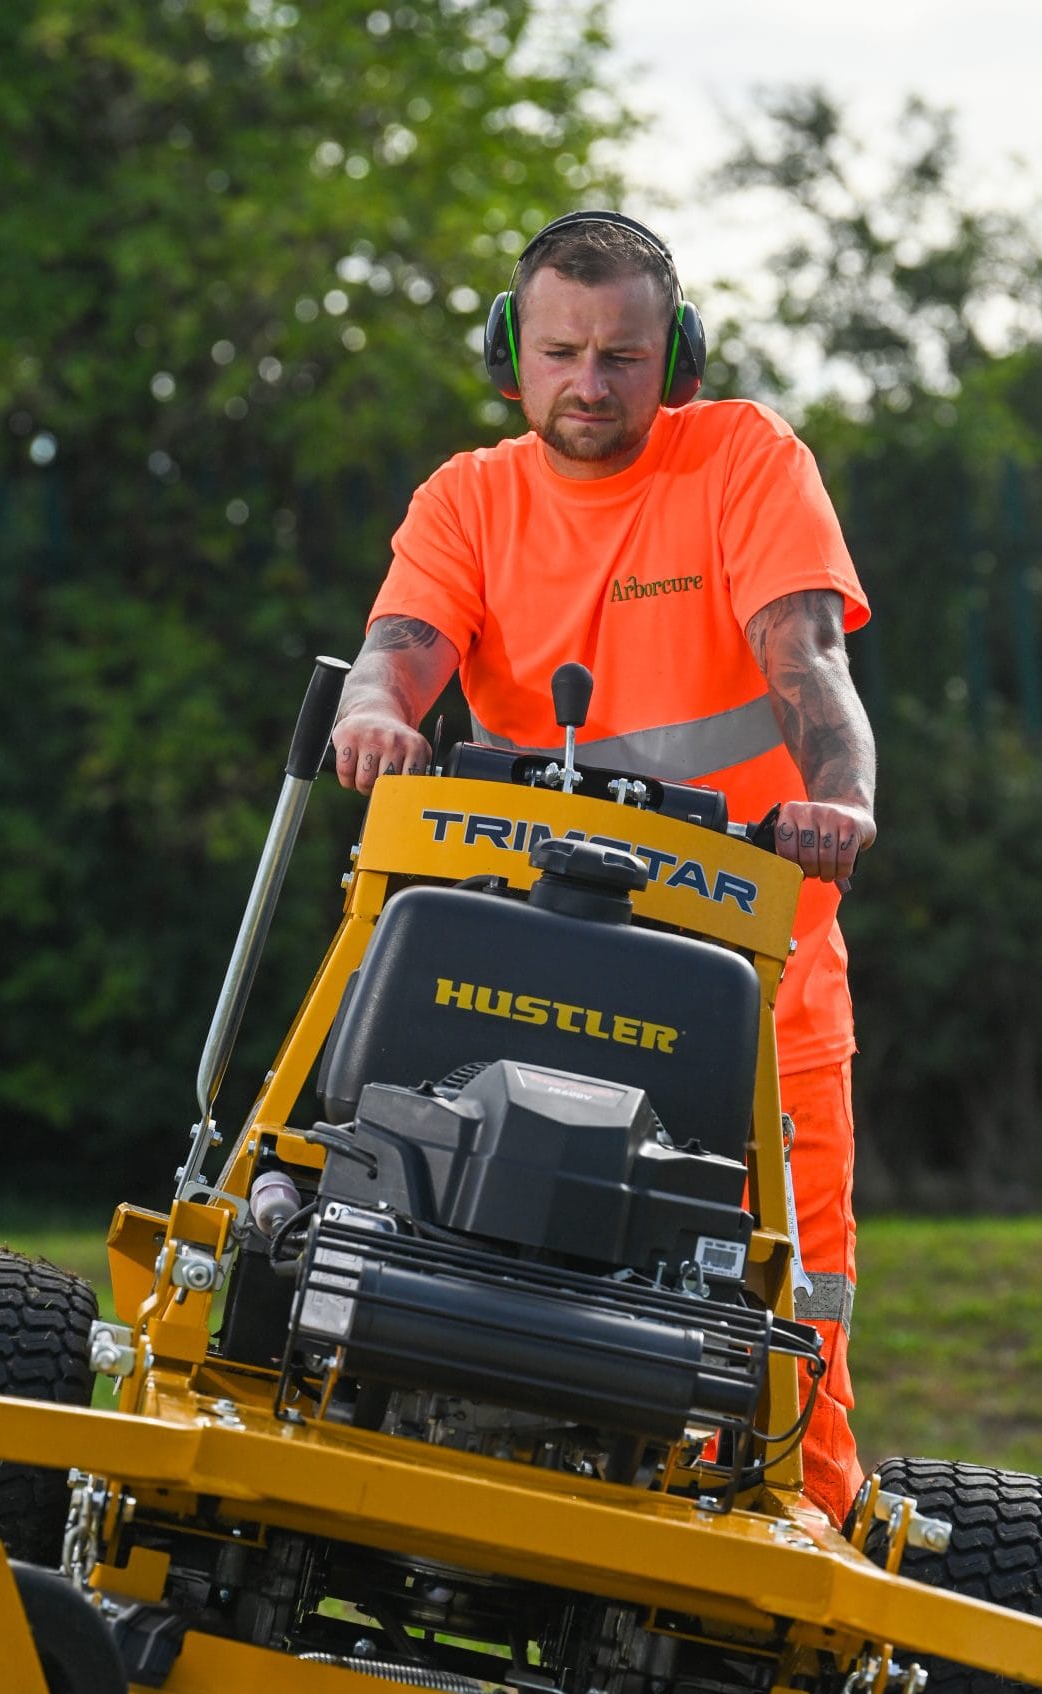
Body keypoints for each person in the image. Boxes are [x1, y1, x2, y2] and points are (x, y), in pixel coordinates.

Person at [329, 211, 876, 1524]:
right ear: (510, 357)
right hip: (522, 943)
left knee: (797, 1310)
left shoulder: (742, 460)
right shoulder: (470, 498)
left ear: (673, 358)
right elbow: (394, 656)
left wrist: (840, 799)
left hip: (750, 965)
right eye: (562, 354)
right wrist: (375, 717)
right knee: (357, 1175)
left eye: (623, 357)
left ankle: (800, 1522)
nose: (590, 384)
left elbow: (810, 658)